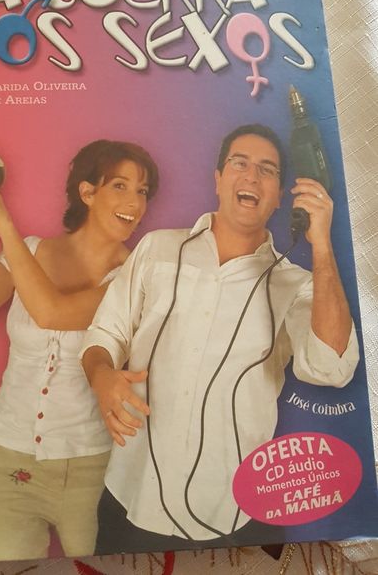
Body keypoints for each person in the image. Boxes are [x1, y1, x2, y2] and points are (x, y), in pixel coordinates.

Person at [81, 123, 359, 554]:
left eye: (267, 170)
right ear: (218, 178)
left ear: (280, 194)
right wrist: (101, 375)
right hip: (130, 494)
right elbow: (105, 332)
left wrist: (321, 245)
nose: (252, 176)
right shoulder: (157, 248)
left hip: (235, 511)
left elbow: (331, 369)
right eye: (239, 163)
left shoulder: (299, 284)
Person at [0, 139, 159, 561]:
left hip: (94, 469)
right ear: (87, 192)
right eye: (120, 186)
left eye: (142, 191)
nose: (135, 203)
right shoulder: (30, 251)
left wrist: (5, 227)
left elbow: (51, 313)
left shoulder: (136, 277)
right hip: (4, 461)